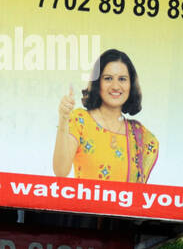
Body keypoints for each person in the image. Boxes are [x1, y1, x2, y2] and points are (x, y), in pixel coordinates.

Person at [54, 49, 158, 183]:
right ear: (98, 83)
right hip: (85, 203)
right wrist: (63, 119)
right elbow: (60, 171)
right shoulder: (80, 120)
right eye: (108, 78)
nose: (115, 86)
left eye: (122, 79)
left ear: (130, 85)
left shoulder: (140, 135)